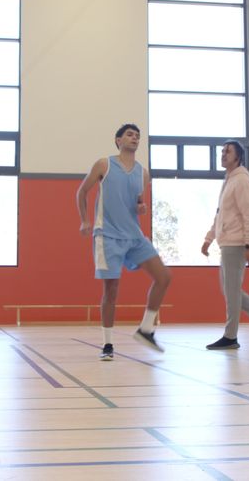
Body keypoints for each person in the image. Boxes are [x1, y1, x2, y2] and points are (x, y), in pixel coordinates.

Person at [76, 124, 172, 360]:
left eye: (137, 136)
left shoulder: (143, 173)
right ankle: (108, 344)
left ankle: (146, 329)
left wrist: (141, 207)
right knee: (111, 290)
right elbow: (81, 192)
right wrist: (85, 220)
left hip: (134, 236)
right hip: (107, 235)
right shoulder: (104, 164)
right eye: (129, 135)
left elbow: (138, 202)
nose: (134, 138)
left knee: (163, 277)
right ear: (118, 140)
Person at [202, 140, 249, 350]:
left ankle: (231, 336)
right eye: (222, 151)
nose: (223, 154)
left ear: (238, 156)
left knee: (231, 292)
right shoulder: (229, 179)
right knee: (230, 291)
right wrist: (209, 238)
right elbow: (220, 214)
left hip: (237, 244)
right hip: (227, 243)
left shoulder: (242, 180)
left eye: (228, 151)